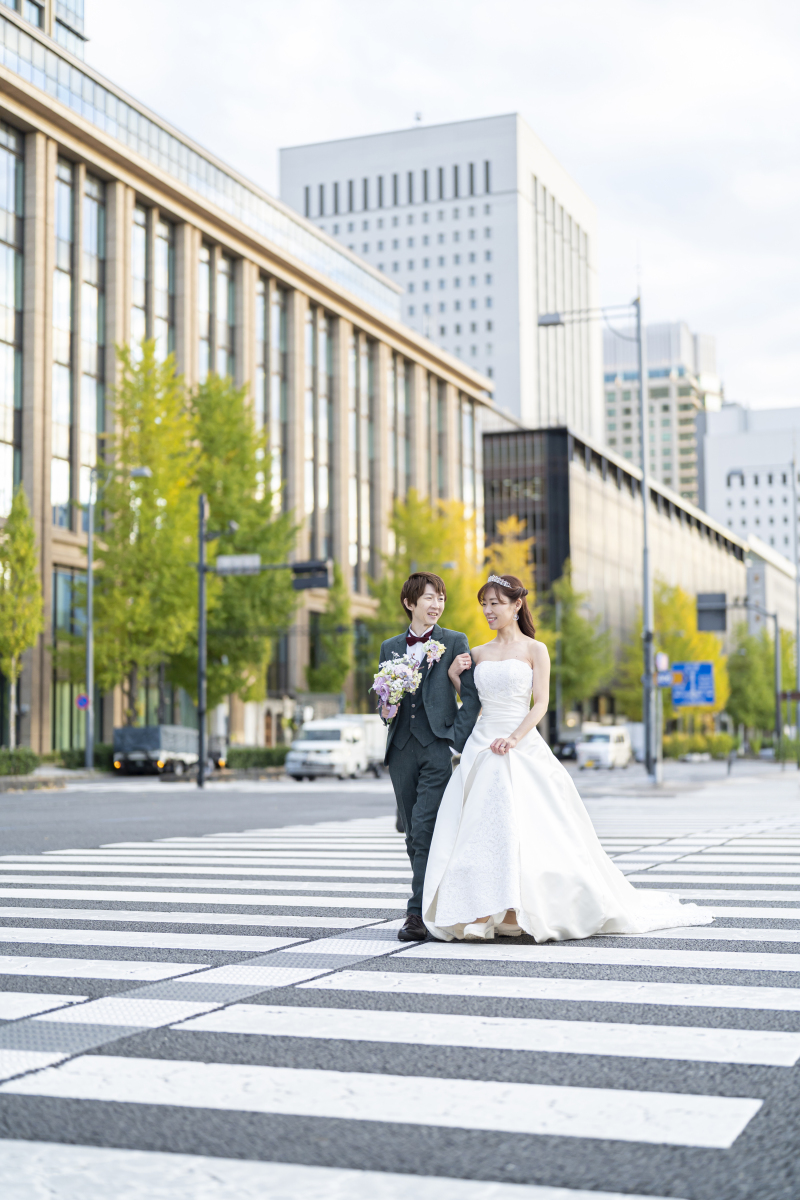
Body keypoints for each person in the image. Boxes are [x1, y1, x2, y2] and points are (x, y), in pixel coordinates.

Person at [422, 573, 714, 942]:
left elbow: (541, 703)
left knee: (526, 828)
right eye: (484, 604)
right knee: (479, 830)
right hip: (483, 742)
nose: (488, 610)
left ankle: (517, 908)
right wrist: (453, 676)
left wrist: (513, 738)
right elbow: (474, 704)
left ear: (516, 606)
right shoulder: (476, 654)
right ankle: (482, 908)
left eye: (495, 603)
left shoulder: (535, 649)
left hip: (519, 740)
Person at [378, 572, 481, 942]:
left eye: (441, 598)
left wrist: (455, 741)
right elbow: (383, 702)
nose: (436, 605)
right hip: (401, 747)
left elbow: (472, 698)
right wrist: (386, 707)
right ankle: (431, 899)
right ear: (410, 603)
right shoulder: (389, 646)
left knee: (424, 828)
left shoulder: (454, 642)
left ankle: (415, 913)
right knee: (411, 833)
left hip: (438, 748)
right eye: (429, 598)